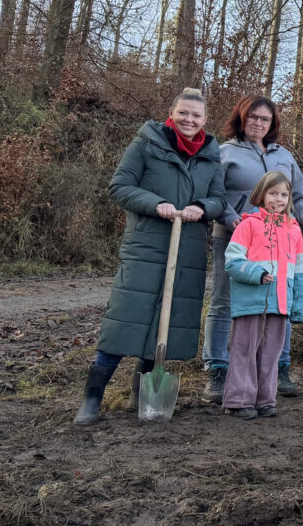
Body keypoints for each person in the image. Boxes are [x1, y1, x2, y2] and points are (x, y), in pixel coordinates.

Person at [74, 88, 225, 425]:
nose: (189, 120)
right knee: (124, 319)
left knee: (164, 324)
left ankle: (139, 395)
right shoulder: (146, 143)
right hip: (146, 246)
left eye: (196, 116)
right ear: (172, 113)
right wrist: (155, 204)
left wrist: (202, 207)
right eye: (183, 113)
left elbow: (220, 199)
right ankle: (91, 400)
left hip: (186, 250)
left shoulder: (212, 157)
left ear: (205, 120)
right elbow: (120, 186)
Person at [201, 95, 303, 405]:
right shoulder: (225, 152)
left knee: (279, 301)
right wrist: (232, 218)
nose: (258, 122)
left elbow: (297, 197)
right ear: (242, 118)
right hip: (235, 235)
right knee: (225, 300)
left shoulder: (284, 156)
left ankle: (278, 368)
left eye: (265, 119)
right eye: (253, 116)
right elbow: (214, 193)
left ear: (273, 124)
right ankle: (217, 368)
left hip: (280, 239)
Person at [222, 171, 303, 419]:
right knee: (245, 350)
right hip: (250, 302)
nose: (278, 199)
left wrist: (297, 306)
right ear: (261, 195)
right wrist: (256, 273)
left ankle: (266, 400)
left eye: (284, 194)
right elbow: (232, 260)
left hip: (280, 302)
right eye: (273, 193)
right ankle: (239, 400)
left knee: (272, 352)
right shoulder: (248, 224)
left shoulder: (294, 230)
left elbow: (301, 272)